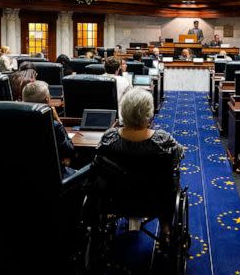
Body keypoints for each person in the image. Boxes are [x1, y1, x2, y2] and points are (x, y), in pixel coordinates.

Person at [96, 88, 184, 234]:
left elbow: (99, 158)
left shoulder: (109, 138)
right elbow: (179, 155)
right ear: (149, 113)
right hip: (156, 200)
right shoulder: (162, 141)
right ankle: (166, 226)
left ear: (123, 110)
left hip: (116, 199)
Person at [22, 80, 75, 179]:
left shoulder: (15, 122)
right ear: (47, 100)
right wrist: (58, 120)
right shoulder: (54, 126)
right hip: (54, 177)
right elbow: (70, 151)